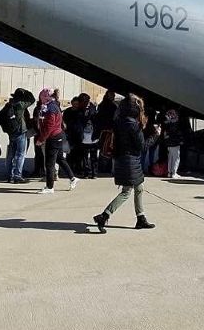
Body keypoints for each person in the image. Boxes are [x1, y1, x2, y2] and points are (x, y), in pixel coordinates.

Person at [93, 94, 154, 232]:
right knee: (126, 192)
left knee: (139, 188)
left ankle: (141, 218)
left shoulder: (119, 121)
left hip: (122, 159)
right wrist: (155, 135)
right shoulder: (133, 125)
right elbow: (142, 146)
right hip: (130, 162)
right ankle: (104, 216)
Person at [35, 88, 77, 193]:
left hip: (53, 137)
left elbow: (50, 126)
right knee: (59, 159)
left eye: (42, 96)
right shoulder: (50, 106)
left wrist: (41, 139)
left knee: (49, 163)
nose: (40, 98)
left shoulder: (51, 108)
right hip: (57, 136)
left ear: (46, 97)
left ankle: (50, 187)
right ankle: (73, 178)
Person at [0, 88, 34, 183]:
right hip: (20, 132)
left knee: (11, 154)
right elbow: (32, 99)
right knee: (20, 154)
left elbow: (0, 116)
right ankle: (17, 175)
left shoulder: (9, 105)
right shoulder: (20, 105)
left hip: (12, 133)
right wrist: (26, 92)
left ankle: (10, 175)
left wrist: (7, 129)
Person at [64, 93, 96, 180]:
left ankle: (82, 170)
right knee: (71, 153)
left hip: (82, 135)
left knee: (82, 154)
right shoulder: (69, 111)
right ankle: (71, 169)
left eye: (77, 104)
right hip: (72, 134)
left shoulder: (86, 110)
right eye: (74, 104)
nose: (76, 106)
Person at [93, 90, 118, 175]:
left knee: (107, 149)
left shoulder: (110, 105)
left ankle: (104, 167)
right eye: (112, 95)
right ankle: (104, 167)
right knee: (106, 149)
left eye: (113, 95)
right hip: (106, 131)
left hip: (107, 130)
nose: (113, 96)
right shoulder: (106, 105)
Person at [161, 109, 189, 178]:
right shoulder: (175, 123)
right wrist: (181, 140)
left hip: (168, 143)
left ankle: (169, 172)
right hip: (175, 143)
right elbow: (177, 133)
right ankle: (174, 173)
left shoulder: (166, 123)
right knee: (176, 158)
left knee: (170, 158)